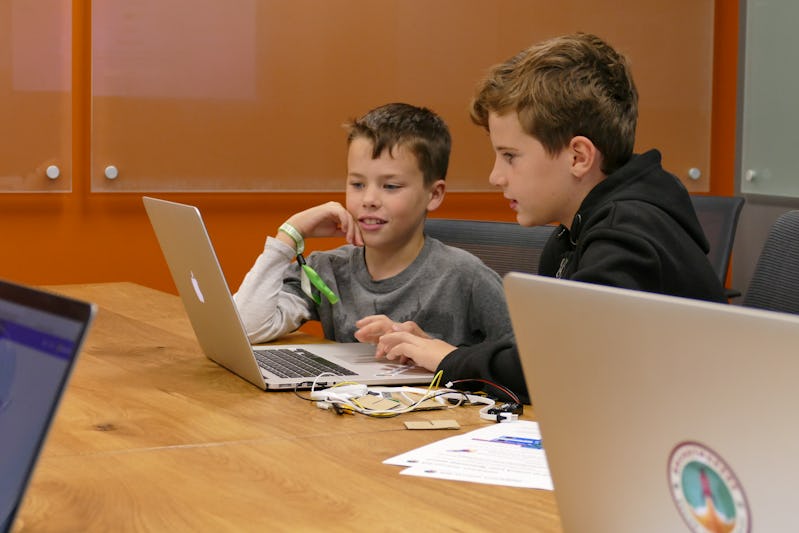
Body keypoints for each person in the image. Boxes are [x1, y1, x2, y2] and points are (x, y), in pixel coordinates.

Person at [374, 33, 726, 402]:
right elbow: (544, 351)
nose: (496, 176)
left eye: (510, 156)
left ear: (578, 157)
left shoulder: (628, 235)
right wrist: (444, 351)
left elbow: (557, 366)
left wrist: (453, 360)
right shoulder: (571, 235)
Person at [233, 102, 514, 351]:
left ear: (434, 194)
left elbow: (525, 364)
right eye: (357, 184)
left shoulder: (466, 277)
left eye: (390, 186)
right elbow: (245, 327)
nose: (368, 199)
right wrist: (290, 234)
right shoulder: (327, 270)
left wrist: (435, 351)